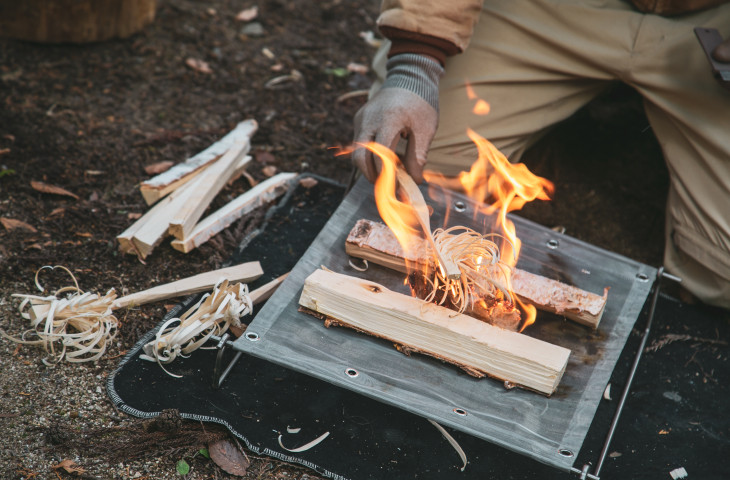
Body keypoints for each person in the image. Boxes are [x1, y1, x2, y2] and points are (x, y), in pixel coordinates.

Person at [351, 0, 730, 309]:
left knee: (721, 276)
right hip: (552, 9)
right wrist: (416, 61)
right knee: (413, 160)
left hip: (711, 24)